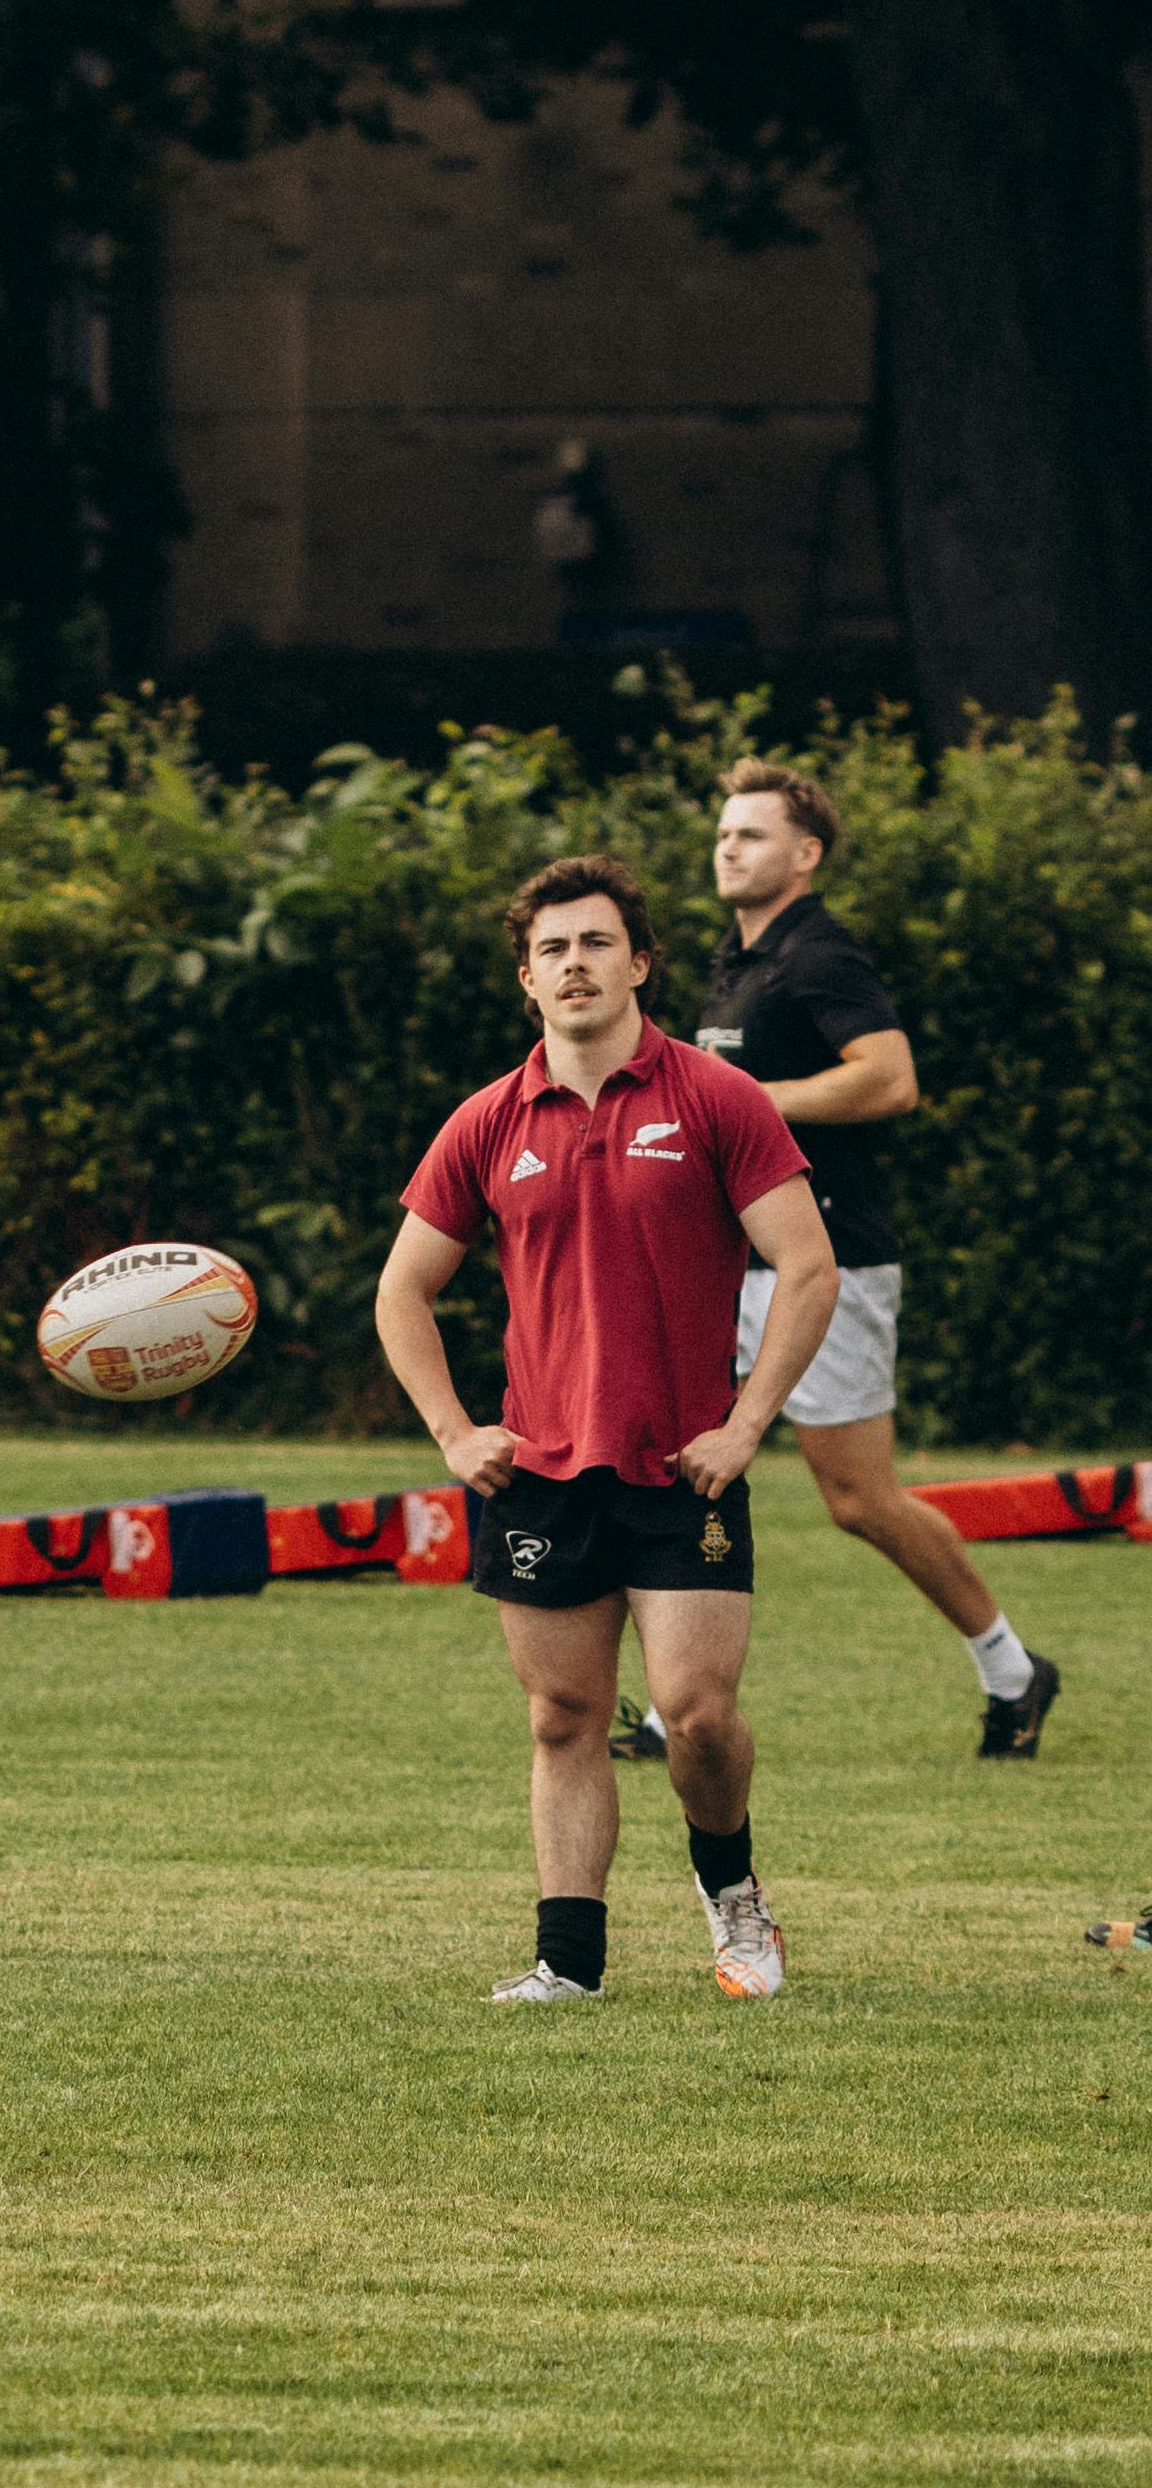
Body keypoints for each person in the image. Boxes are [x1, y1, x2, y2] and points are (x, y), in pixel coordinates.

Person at [375, 854, 838, 2003]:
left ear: (638, 962)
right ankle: (566, 1964)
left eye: (593, 943)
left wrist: (742, 1427)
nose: (572, 965)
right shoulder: (486, 1120)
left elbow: (807, 1266)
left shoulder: (713, 1098)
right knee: (562, 1716)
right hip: (537, 1468)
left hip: (682, 1464)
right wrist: (450, 1430)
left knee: (696, 1714)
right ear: (524, 979)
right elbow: (400, 1291)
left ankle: (729, 1891)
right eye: (550, 949)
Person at [614, 759, 1056, 1765]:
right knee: (678, 1460)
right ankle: (667, 1705)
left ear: (804, 855)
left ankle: (1010, 1668)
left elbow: (888, 1079)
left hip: (826, 1257)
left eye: (751, 834)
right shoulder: (735, 961)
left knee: (856, 1499)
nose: (727, 846)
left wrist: (741, 1099)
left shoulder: (820, 957)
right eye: (722, 832)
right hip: (728, 1256)